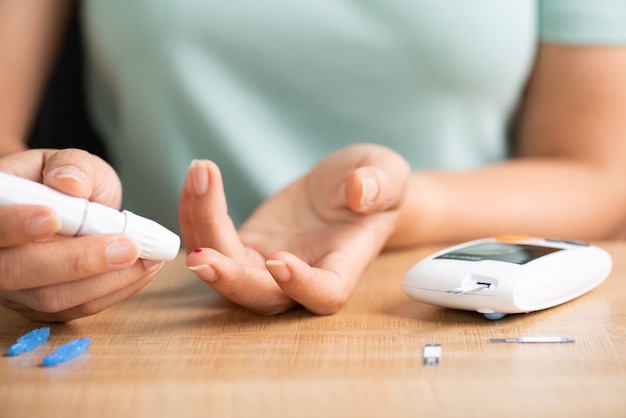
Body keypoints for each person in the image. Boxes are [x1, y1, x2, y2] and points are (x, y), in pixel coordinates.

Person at [1, 1, 626, 321]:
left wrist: (394, 209)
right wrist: (27, 214)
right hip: (139, 325)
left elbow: (600, 174)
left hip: (444, 317)